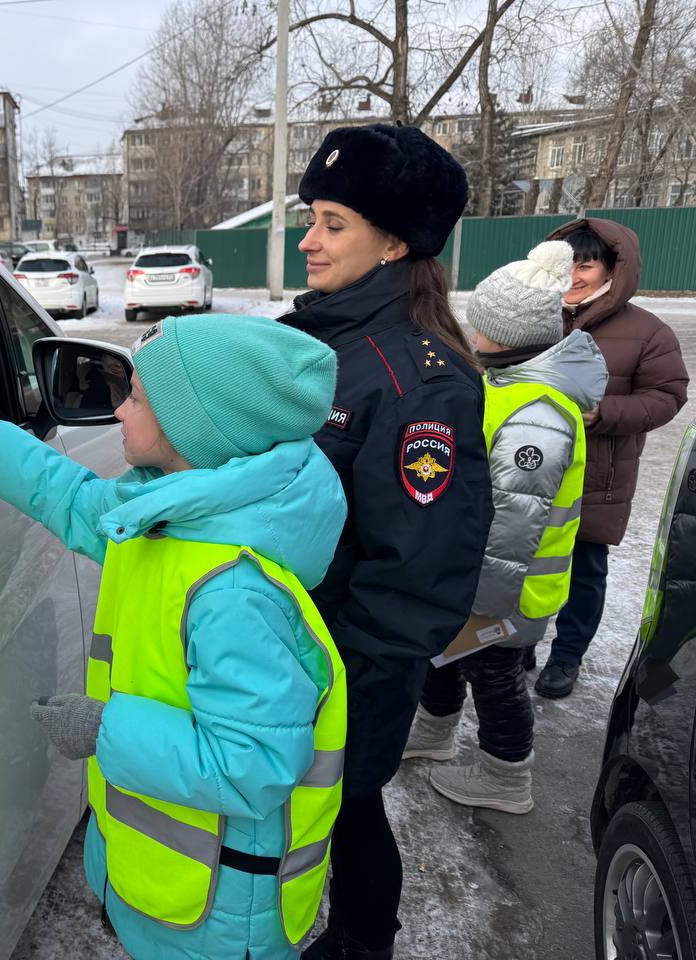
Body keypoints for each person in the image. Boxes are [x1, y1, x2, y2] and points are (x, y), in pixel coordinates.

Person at [0, 314, 349, 959]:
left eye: (138, 398)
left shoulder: (234, 595)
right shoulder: (171, 518)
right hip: (174, 886)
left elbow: (253, 766)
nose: (118, 411)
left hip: (223, 918)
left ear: (197, 428)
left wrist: (103, 730)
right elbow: (74, 500)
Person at [281, 124, 494, 960]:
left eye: (335, 223)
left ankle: (363, 942)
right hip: (292, 640)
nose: (309, 239)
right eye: (314, 218)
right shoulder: (316, 338)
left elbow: (420, 560)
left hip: (348, 661)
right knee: (313, 809)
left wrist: (351, 676)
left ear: (397, 240)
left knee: (347, 806)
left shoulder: (420, 376)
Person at [403, 241, 607, 815]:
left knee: (494, 677)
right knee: (445, 653)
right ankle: (435, 731)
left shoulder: (536, 414)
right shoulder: (507, 384)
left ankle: (506, 774)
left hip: (506, 590)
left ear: (502, 334)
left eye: (479, 323)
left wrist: (486, 607)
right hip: (476, 577)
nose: (469, 330)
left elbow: (517, 522)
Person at [531, 219, 689, 698]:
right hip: (530, 467)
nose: (574, 275)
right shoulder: (534, 313)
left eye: (587, 264)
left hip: (596, 477)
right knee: (523, 562)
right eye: (567, 264)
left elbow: (667, 395)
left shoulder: (647, 331)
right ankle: (517, 645)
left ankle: (566, 657)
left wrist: (603, 413)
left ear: (612, 270)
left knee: (583, 571)